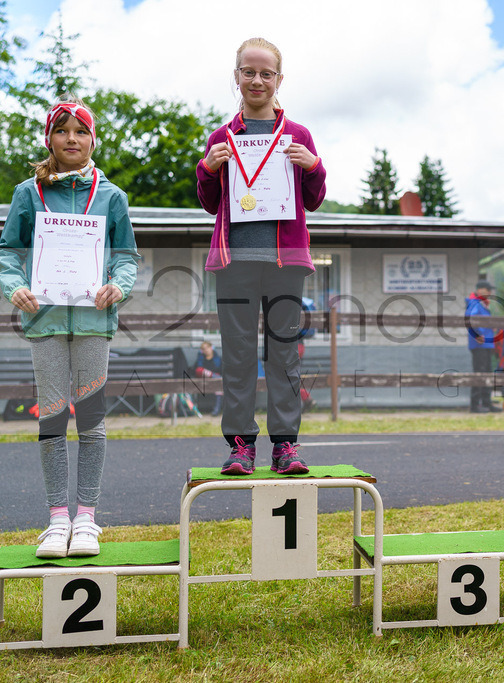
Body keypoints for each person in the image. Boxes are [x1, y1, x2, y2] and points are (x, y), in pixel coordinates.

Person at [0, 97, 139, 558]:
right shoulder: (28, 193)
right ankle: (57, 519)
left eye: (80, 131)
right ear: (49, 138)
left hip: (94, 321)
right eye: (62, 130)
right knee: (54, 417)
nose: (71, 139)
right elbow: (5, 250)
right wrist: (14, 286)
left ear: (93, 139)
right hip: (45, 320)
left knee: (91, 421)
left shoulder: (112, 196)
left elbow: (127, 255)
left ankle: (87, 518)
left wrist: (119, 284)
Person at [197, 37, 326, 476]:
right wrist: (208, 169)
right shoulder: (221, 137)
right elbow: (211, 203)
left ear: (279, 79)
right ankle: (240, 446)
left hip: (284, 264)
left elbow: (314, 200)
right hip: (234, 264)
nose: (256, 80)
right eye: (248, 72)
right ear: (236, 76)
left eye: (265, 73)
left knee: (284, 355)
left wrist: (313, 165)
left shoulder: (299, 135)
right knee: (236, 355)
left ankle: (285, 446)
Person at [465, 280, 501, 413]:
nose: (490, 293)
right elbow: (472, 319)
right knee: (479, 374)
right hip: (480, 344)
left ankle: (486, 403)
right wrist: (478, 334)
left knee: (487, 373)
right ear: (480, 290)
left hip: (486, 343)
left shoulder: (482, 304)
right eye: (488, 289)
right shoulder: (475, 303)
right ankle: (475, 405)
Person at [194, 341, 223, 416]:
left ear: (211, 348)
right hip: (203, 381)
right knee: (199, 370)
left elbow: (221, 370)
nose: (206, 350)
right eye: (203, 349)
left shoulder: (218, 359)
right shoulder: (200, 359)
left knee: (219, 385)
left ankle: (217, 409)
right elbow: (196, 371)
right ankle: (213, 375)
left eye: (207, 348)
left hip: (215, 381)